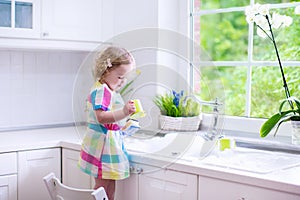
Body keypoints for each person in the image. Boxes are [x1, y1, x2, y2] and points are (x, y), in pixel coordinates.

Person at [78, 46, 136, 200]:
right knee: (102, 187)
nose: (122, 81)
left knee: (109, 186)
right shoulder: (101, 90)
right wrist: (124, 112)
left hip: (108, 143)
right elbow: (101, 117)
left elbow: (110, 118)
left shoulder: (108, 90)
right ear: (105, 71)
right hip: (101, 147)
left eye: (125, 78)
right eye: (119, 77)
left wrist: (124, 124)